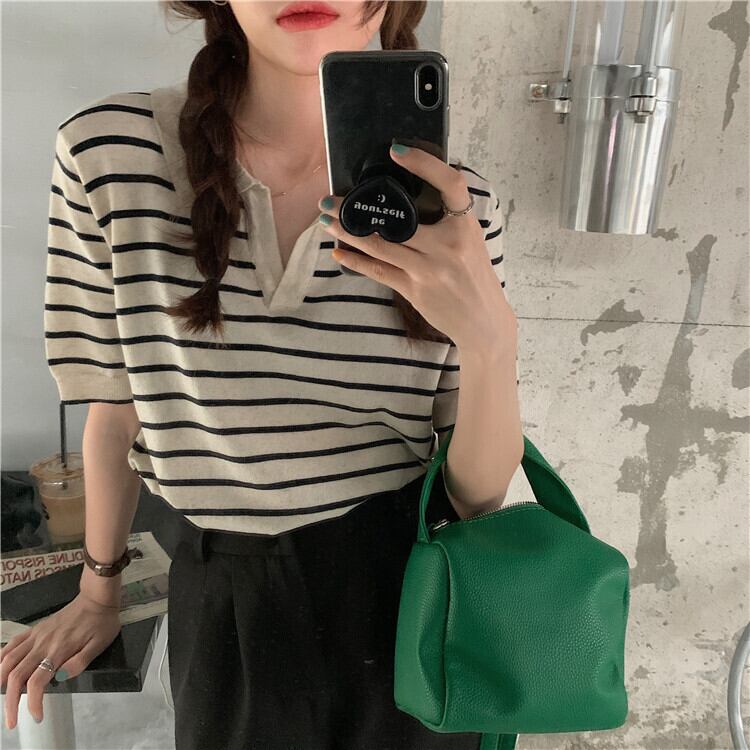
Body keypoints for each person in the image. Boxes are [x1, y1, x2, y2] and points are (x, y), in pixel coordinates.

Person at [2, 1, 522, 747]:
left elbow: (474, 497)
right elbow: (115, 407)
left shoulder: (458, 210)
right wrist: (98, 588)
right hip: (224, 598)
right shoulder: (109, 155)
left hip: (409, 596)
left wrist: (492, 343)